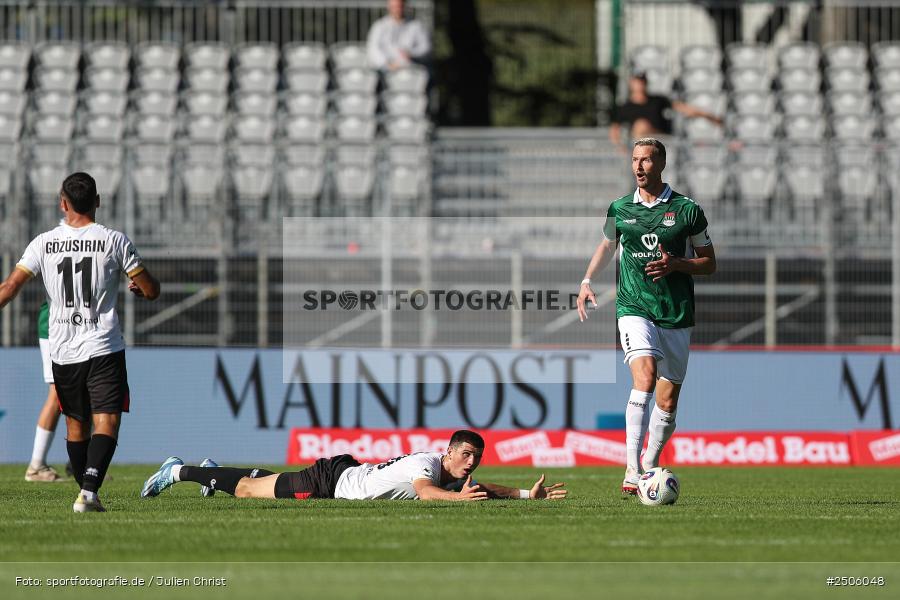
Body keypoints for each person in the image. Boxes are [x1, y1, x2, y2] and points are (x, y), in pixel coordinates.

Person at [0, 172, 160, 512]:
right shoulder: (114, 240)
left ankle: (87, 491)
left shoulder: (43, 243)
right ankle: (88, 491)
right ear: (98, 201)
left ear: (63, 203)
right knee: (107, 421)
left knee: (76, 426)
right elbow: (151, 290)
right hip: (103, 346)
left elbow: (9, 288)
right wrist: (139, 287)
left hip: (62, 349)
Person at [576, 138, 716, 495]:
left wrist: (678, 264)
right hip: (634, 307)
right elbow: (607, 245)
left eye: (647, 160)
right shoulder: (620, 208)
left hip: (676, 311)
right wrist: (587, 280)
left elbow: (709, 263)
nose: (639, 166)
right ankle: (631, 469)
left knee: (667, 402)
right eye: (635, 160)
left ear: (661, 164)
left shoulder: (687, 210)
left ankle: (650, 462)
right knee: (645, 376)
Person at [141, 429, 568, 502]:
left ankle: (213, 470)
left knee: (266, 480)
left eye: (477, 458)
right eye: (467, 455)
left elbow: (480, 489)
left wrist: (526, 494)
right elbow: (426, 494)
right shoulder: (427, 466)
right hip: (331, 482)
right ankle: (178, 471)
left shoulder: (448, 471)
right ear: (450, 451)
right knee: (249, 491)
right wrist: (460, 501)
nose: (471, 464)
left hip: (347, 471)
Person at [609, 72, 723, 150]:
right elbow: (614, 130)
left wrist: (708, 116)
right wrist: (620, 148)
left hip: (661, 140)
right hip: (638, 142)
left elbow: (683, 108)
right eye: (638, 81)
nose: (641, 84)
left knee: (641, 126)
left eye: (643, 81)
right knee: (640, 127)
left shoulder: (657, 100)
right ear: (631, 83)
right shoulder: (624, 107)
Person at [24, 300, 69, 482]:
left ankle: (82, 464)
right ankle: (36, 466)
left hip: (85, 326)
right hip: (57, 325)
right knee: (57, 392)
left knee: (90, 390)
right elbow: (11, 287)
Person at [366, 0, 431, 71]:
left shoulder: (416, 25)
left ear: (405, 6)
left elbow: (425, 47)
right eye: (394, 7)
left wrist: (411, 53)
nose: (397, 9)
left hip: (411, 68)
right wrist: (387, 64)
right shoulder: (379, 26)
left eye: (399, 6)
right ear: (389, 7)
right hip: (384, 70)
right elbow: (373, 49)